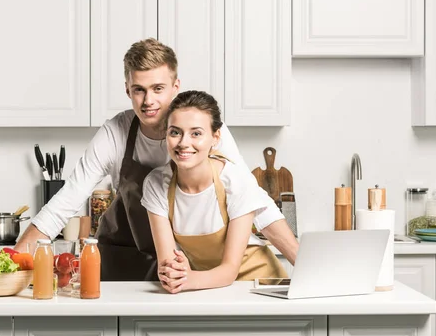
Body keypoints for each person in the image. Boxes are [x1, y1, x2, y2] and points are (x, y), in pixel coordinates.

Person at [15, 38, 298, 281]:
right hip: (126, 252)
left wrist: (303, 264)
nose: (148, 100)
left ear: (175, 86)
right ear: (127, 90)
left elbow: (253, 199)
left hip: (187, 261)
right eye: (139, 89)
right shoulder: (115, 133)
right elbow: (67, 199)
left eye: (158, 88)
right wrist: (15, 261)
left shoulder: (205, 131)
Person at [141, 90, 297, 293]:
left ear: (215, 138)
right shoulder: (156, 184)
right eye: (175, 132)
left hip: (261, 285)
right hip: (209, 288)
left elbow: (229, 271)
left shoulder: (235, 181)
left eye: (196, 133)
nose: (183, 143)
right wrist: (173, 275)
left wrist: (186, 280)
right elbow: (169, 263)